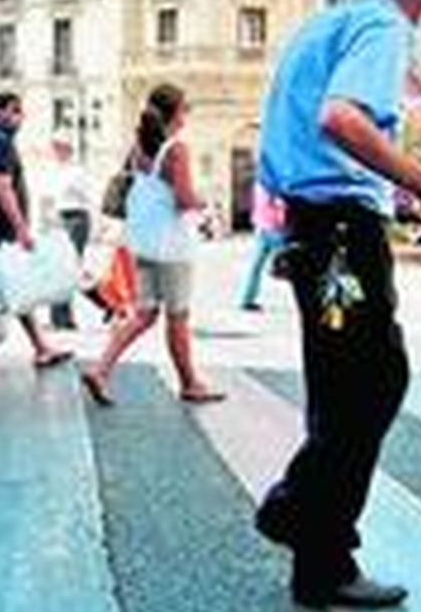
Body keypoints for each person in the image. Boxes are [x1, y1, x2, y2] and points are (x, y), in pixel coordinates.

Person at [250, 0, 421, 610]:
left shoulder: (328, 21)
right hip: (341, 235)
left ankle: (319, 560)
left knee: (348, 386)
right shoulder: (382, 30)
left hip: (319, 226)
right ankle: (298, 511)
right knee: (367, 383)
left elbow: (316, 133)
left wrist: (390, 194)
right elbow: (342, 120)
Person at [79, 84, 224, 407]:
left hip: (142, 242)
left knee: (144, 313)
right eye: (186, 108)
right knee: (178, 316)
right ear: (176, 112)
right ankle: (190, 384)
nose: (188, 115)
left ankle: (101, 369)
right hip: (173, 246)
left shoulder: (139, 147)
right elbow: (184, 198)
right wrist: (207, 203)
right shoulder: (176, 149)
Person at [0, 92, 72, 367]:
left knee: (16, 289)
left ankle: (41, 347)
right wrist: (21, 228)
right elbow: (3, 188)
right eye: (15, 110)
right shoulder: (0, 143)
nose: (21, 116)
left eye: (21, 110)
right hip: (4, 231)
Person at [43, 134, 92, 329]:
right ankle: (59, 317)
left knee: (68, 268)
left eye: (61, 147)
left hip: (77, 218)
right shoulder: (53, 171)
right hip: (59, 219)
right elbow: (48, 198)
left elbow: (87, 197)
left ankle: (64, 318)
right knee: (57, 268)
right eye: (55, 147)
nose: (57, 151)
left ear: (69, 149)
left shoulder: (77, 171)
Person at [238, 181, 287, 312]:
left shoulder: (260, 183)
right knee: (289, 261)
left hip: (261, 224)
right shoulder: (275, 183)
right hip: (274, 226)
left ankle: (246, 298)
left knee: (256, 265)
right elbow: (279, 204)